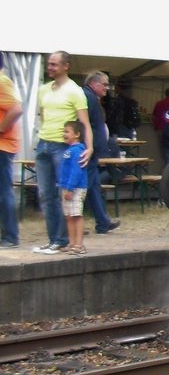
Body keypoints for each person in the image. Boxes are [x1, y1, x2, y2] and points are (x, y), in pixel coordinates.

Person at [34, 51, 92, 254]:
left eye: (53, 64)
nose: (50, 68)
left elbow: (85, 123)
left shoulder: (75, 91)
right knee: (45, 194)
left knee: (64, 194)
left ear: (65, 66)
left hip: (62, 147)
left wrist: (89, 147)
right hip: (44, 142)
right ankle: (54, 239)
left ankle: (62, 240)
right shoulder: (43, 90)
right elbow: (42, 116)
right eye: (48, 64)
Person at [82, 71, 121, 234]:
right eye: (104, 84)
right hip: (87, 150)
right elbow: (85, 124)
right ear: (94, 83)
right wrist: (90, 146)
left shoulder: (91, 97)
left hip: (91, 149)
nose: (107, 88)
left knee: (92, 186)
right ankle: (74, 222)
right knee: (84, 186)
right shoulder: (88, 97)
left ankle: (102, 221)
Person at [0, 54, 24, 249]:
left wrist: (0, 128)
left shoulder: (2, 81)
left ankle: (10, 236)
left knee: (4, 191)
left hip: (3, 145)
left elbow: (16, 109)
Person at [56, 120, 90, 256]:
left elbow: (76, 171)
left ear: (77, 134)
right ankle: (71, 242)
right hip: (66, 187)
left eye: (67, 132)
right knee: (69, 216)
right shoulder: (69, 150)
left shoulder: (77, 151)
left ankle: (79, 244)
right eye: (64, 131)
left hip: (76, 187)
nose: (64, 134)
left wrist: (70, 188)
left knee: (76, 215)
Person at [152, 88, 169, 167]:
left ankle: (165, 165)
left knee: (163, 150)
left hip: (160, 129)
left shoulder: (159, 103)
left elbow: (153, 116)